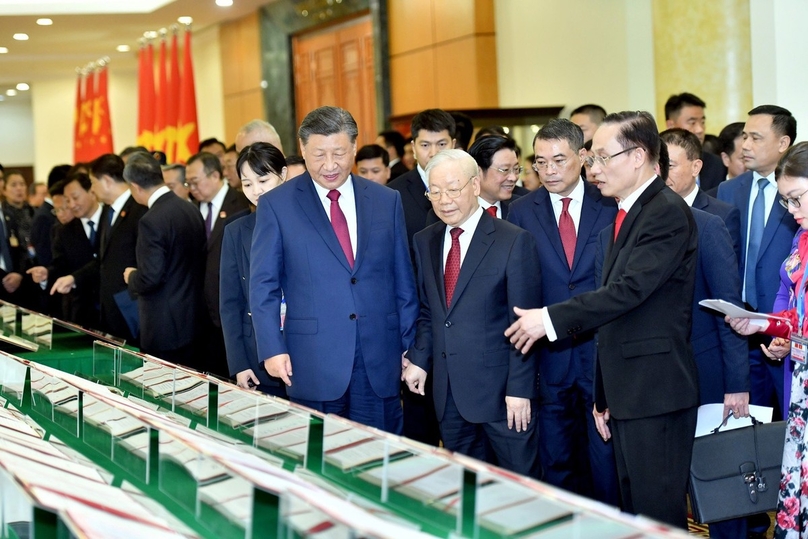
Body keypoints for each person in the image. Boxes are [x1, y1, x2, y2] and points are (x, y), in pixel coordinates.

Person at [505, 111, 700, 529]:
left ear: (638, 156)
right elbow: (612, 315)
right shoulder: (622, 216)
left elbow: (627, 292)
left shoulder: (664, 211)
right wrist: (603, 394)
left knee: (658, 517)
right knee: (633, 513)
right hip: (627, 390)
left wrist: (550, 320)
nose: (593, 170)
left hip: (655, 391)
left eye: (602, 158)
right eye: (592, 160)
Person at [250, 106, 418, 434]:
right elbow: (263, 285)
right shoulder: (276, 205)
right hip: (310, 362)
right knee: (318, 462)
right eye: (319, 154)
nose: (330, 165)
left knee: (378, 461)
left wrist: (410, 346)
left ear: (354, 148)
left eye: (339, 153)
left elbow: (403, 282)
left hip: (379, 359)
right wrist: (272, 347)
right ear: (301, 150)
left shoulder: (386, 201)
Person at [402, 149, 541, 476]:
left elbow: (525, 323)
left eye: (453, 189)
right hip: (449, 396)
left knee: (518, 493)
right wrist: (420, 359)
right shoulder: (425, 240)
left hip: (503, 398)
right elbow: (429, 311)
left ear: (475, 186)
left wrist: (519, 390)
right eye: (434, 191)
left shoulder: (513, 241)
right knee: (466, 493)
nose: (443, 199)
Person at [507, 119, 619, 505]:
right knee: (556, 464)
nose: (550, 170)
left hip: (600, 354)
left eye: (559, 160)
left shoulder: (609, 202)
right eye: (540, 163)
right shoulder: (520, 212)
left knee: (605, 464)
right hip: (549, 358)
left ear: (583, 157)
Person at [726, 141, 808, 538]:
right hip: (802, 382)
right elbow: (789, 300)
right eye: (787, 203)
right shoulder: (801, 239)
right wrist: (767, 327)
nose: (793, 212)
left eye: (797, 199)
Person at [717, 105, 799, 419]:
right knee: (749, 427)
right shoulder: (728, 190)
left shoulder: (798, 193)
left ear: (783, 143)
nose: (745, 146)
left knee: (790, 421)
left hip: (785, 332)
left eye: (755, 137)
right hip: (739, 329)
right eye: (744, 137)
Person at [123, 152, 206, 368]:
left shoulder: (150, 220)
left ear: (135, 186)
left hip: (165, 328)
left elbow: (150, 277)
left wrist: (131, 276)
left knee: (164, 395)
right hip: (195, 321)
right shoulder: (191, 208)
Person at [53, 154, 147, 343]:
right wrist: (74, 278)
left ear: (106, 181)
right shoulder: (108, 212)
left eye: (93, 183)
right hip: (111, 312)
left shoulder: (140, 209)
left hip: (133, 309)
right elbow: (103, 260)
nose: (93, 190)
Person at [220, 142, 287, 397]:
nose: (256, 191)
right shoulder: (236, 232)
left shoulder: (309, 222)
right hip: (257, 355)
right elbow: (230, 303)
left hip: (307, 350)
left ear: (283, 175)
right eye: (247, 184)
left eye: (263, 180)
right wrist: (239, 363)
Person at [186, 151, 250, 377]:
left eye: (195, 182)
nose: (191, 188)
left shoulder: (241, 203)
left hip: (231, 307)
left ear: (214, 175)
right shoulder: (191, 208)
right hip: (200, 312)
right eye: (188, 183)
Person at [27, 173, 101, 327]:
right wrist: (47, 272)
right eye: (68, 201)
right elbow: (60, 264)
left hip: (116, 307)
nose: (72, 205)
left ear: (92, 192)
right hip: (82, 309)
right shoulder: (64, 231)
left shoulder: (111, 219)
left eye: (75, 198)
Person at [660, 128, 741, 260]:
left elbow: (724, 277)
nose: (661, 174)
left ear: (695, 167)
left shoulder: (721, 215)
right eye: (657, 166)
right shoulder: (645, 210)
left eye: (669, 166)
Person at [387, 109, 456, 254]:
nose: (434, 153)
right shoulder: (393, 194)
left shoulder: (470, 186)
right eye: (425, 145)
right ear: (413, 147)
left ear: (453, 145)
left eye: (442, 144)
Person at [664, 92, 727, 191]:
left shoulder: (716, 164)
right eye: (692, 123)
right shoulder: (654, 162)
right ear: (671, 125)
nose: (700, 129)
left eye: (702, 122)